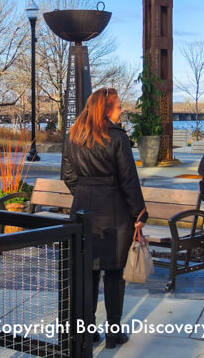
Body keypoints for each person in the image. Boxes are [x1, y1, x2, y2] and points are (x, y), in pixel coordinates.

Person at [61, 88, 148, 349]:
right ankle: (113, 332)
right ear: (106, 109)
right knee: (113, 272)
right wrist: (140, 213)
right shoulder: (116, 138)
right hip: (114, 211)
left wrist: (85, 193)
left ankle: (87, 331)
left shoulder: (74, 135)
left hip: (83, 210)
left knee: (88, 271)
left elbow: (68, 175)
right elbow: (129, 180)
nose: (122, 110)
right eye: (119, 106)